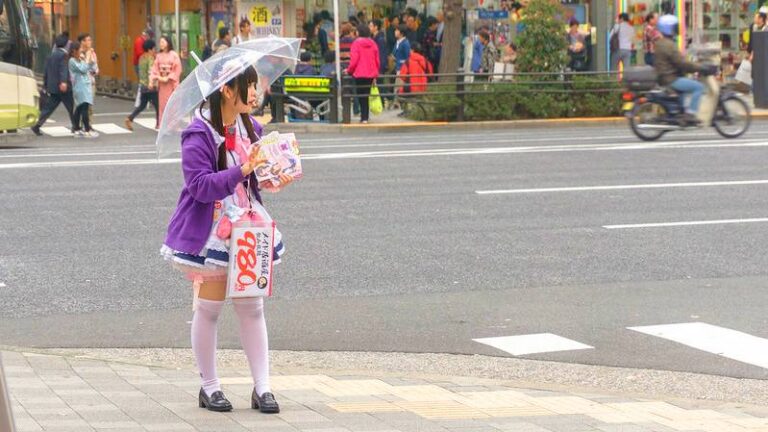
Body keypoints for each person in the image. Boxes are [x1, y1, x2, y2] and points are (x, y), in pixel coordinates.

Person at [161, 65, 293, 414]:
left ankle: (263, 388)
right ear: (226, 90)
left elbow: (258, 180)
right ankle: (210, 387)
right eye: (247, 86)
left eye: (254, 85)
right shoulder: (198, 134)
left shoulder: (252, 127)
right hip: (212, 232)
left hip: (249, 227)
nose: (254, 93)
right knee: (210, 309)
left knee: (252, 307)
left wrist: (277, 174)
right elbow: (200, 186)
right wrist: (243, 169)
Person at [654, 14, 713, 125]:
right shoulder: (669, 45)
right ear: (669, 28)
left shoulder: (661, 43)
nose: (677, 29)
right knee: (698, 87)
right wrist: (700, 68)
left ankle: (681, 113)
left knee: (686, 88)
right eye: (675, 27)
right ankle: (690, 114)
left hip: (666, 77)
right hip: (671, 79)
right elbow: (682, 63)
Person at [31, 34, 75, 136]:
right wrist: (63, 82)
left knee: (49, 108)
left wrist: (45, 85)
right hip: (63, 87)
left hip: (53, 87)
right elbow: (63, 69)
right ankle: (75, 125)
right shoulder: (64, 56)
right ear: (65, 45)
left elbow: (46, 71)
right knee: (71, 107)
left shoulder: (50, 55)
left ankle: (37, 125)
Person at [346, 24, 380, 123]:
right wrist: (375, 73)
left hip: (359, 73)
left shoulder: (356, 43)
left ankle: (364, 117)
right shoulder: (373, 43)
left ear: (358, 32)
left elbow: (354, 60)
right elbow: (377, 60)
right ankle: (366, 116)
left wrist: (349, 70)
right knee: (366, 94)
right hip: (370, 72)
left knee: (361, 95)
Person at [125, 39, 159, 131]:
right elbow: (150, 71)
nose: (155, 50)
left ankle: (130, 118)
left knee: (142, 105)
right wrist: (154, 83)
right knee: (158, 105)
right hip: (150, 86)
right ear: (150, 49)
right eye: (154, 48)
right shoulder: (150, 58)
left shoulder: (141, 57)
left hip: (143, 85)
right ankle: (158, 123)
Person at [68, 41, 98, 138]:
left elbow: (90, 67)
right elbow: (83, 69)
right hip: (80, 87)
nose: (81, 50)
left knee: (80, 108)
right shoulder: (72, 61)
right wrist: (87, 59)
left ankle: (76, 129)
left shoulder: (80, 59)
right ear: (74, 51)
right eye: (79, 49)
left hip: (85, 86)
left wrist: (90, 58)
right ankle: (87, 130)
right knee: (84, 107)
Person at [151, 36, 182, 126]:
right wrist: (156, 77)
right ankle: (163, 125)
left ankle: (174, 125)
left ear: (168, 43)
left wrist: (168, 77)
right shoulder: (158, 56)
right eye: (160, 42)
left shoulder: (174, 55)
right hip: (162, 84)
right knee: (163, 105)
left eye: (163, 42)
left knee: (173, 105)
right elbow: (154, 68)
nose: (161, 44)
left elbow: (177, 69)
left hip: (172, 84)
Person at [78, 33, 99, 98]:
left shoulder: (92, 53)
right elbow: (81, 68)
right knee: (83, 106)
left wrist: (95, 71)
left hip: (91, 82)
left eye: (90, 40)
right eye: (88, 40)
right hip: (81, 84)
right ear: (82, 42)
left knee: (89, 106)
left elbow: (96, 68)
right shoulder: (77, 53)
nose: (90, 42)